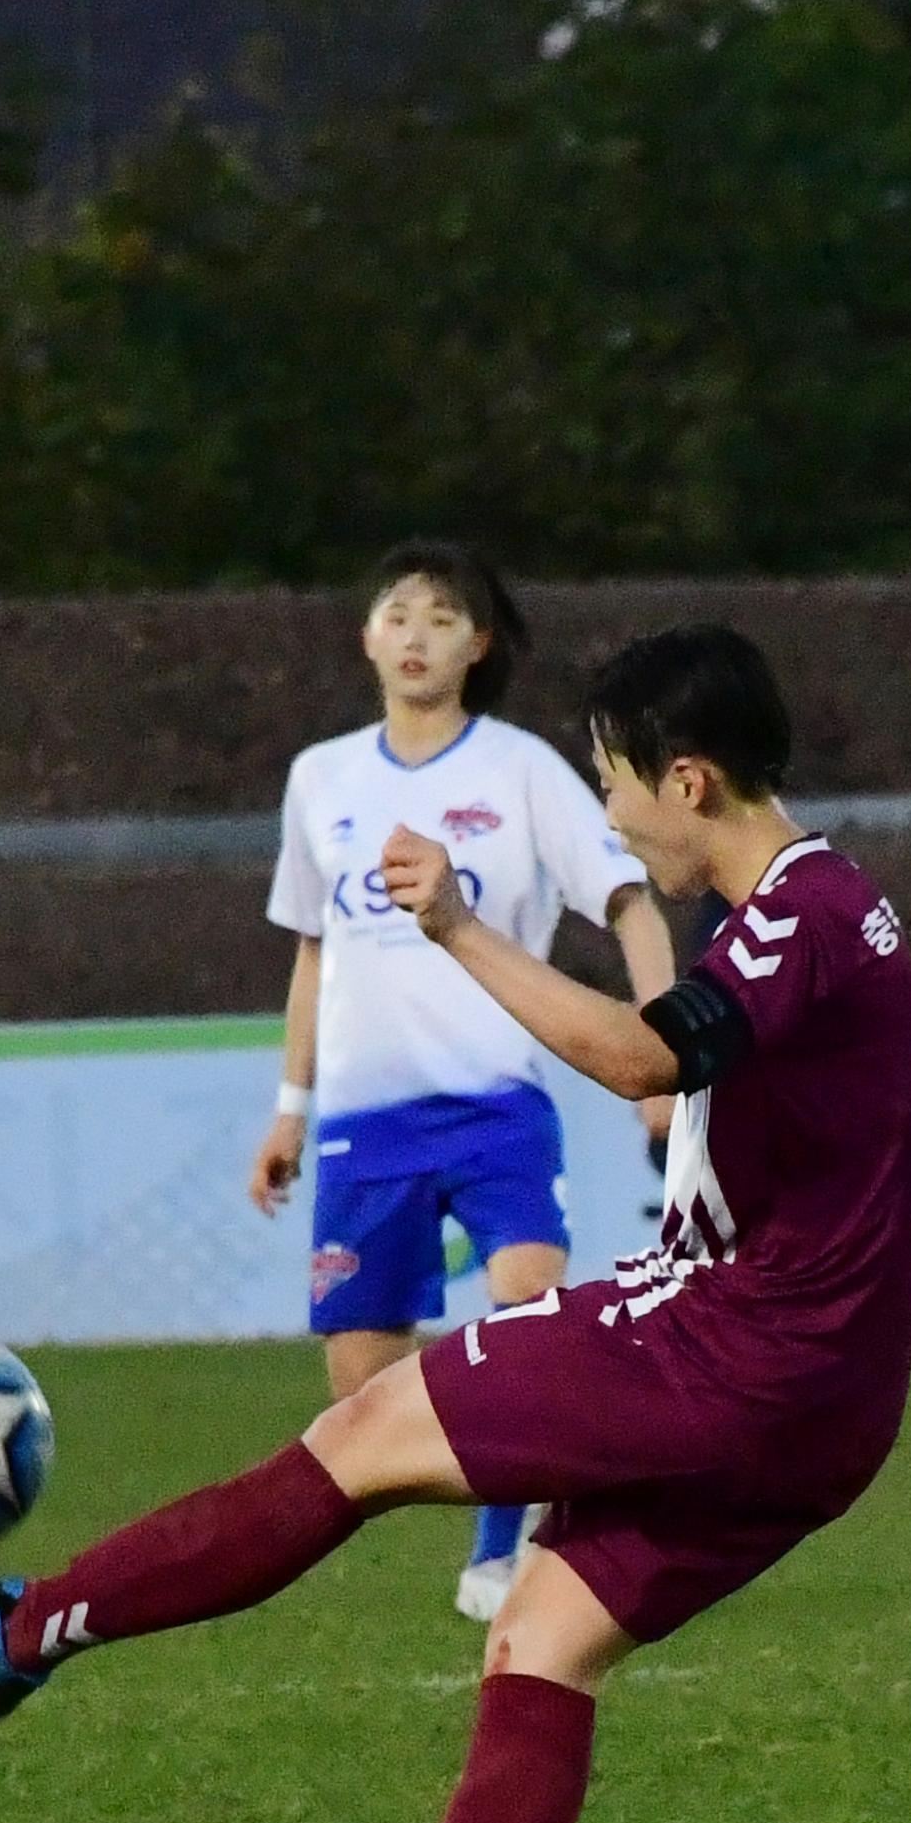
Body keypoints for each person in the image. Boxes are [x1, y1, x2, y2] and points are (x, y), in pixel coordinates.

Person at [0, 625, 911, 1823]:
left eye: (620, 786)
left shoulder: (793, 919)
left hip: (730, 1351)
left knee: (358, 1438)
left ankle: (19, 1636)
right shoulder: (838, 907)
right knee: (543, 1631)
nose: (613, 816)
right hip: (828, 1405)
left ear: (690, 779)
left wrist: (459, 929)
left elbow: (641, 1058)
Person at [251, 544, 678, 1626]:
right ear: (366, 637)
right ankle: (540, 1470)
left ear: (477, 645)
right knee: (365, 1395)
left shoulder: (522, 769)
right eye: (396, 613)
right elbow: (313, 949)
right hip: (361, 1121)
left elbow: (630, 900)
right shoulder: (323, 779)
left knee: (529, 1299)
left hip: (496, 1102)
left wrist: (664, 1064)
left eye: (442, 618)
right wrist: (289, 1107)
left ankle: (505, 1551)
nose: (414, 634)